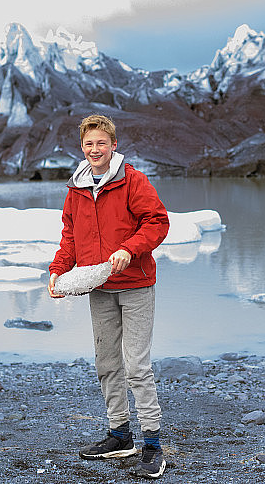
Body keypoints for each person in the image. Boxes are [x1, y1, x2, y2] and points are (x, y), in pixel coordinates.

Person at [48, 114, 170, 479]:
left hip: (135, 284)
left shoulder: (132, 180)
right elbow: (70, 237)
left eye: (101, 143)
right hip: (99, 288)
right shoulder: (77, 189)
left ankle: (152, 446)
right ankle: (120, 436)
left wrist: (129, 249)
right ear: (82, 147)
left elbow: (157, 221)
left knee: (137, 367)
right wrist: (58, 271)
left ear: (113, 145)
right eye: (89, 144)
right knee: (107, 364)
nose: (95, 149)